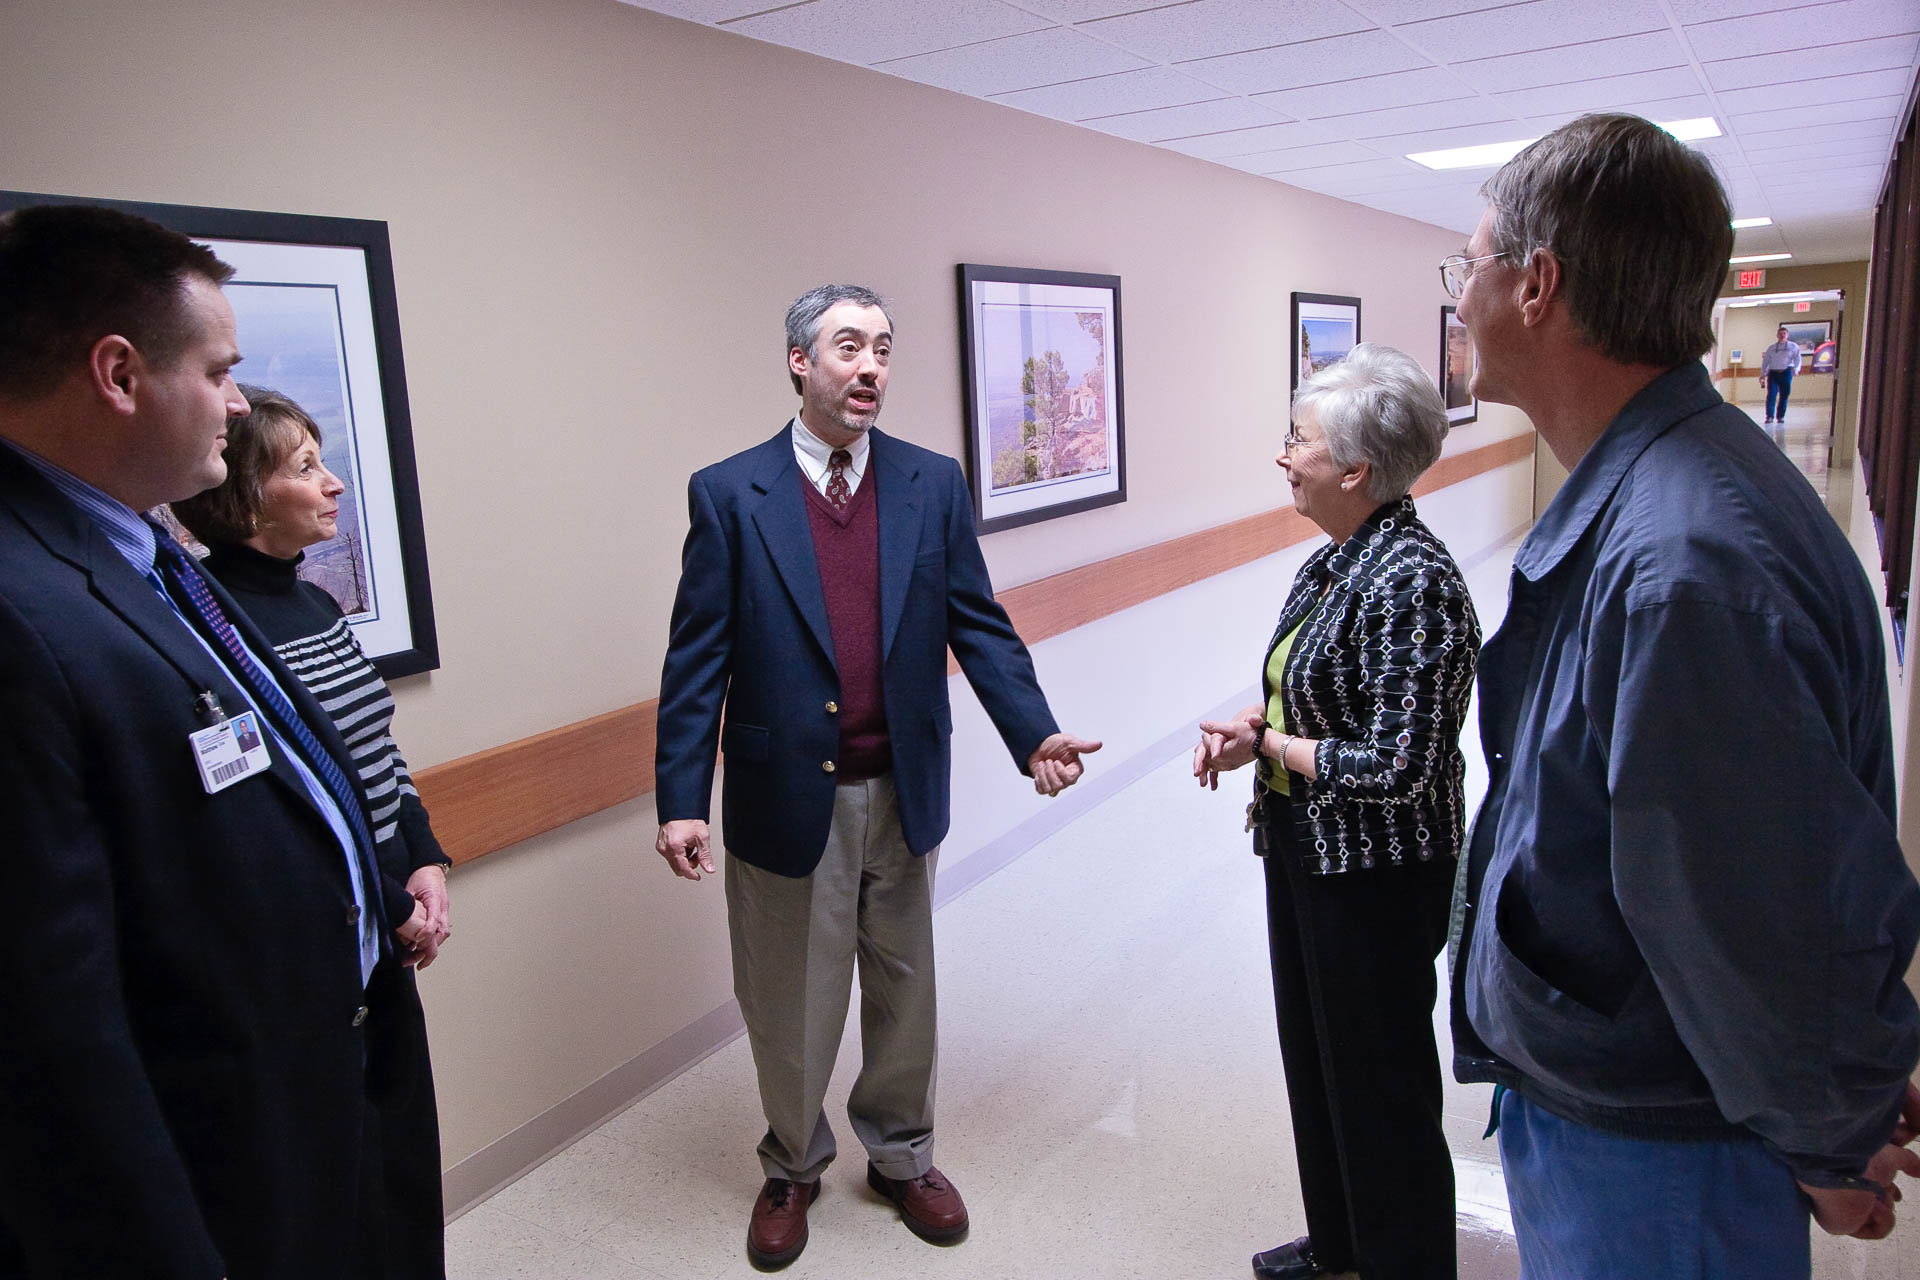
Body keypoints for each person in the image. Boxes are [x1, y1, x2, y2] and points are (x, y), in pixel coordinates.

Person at [1443, 112, 1920, 1278]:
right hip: (1623, 1094)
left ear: (1539, 285)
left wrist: (1826, 1129)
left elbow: (1746, 906)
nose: (1462, 302)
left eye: (1473, 268)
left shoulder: (1683, 565)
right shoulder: (1665, 494)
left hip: (1661, 1148)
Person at [653, 284, 1101, 1269]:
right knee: (791, 994)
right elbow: (697, 660)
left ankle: (901, 1154)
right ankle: (793, 1161)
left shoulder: (928, 482)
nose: (870, 368)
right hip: (785, 794)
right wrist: (682, 797)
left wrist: (1033, 733)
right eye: (848, 346)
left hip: (902, 784)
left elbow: (976, 621)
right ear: (798, 362)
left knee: (906, 983)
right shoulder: (731, 493)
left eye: (884, 350)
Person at [0, 204, 404, 1276]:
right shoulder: (21, 607)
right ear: (120, 373)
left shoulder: (148, 551)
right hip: (215, 1146)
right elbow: (54, 1020)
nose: (237, 402)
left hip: (323, 1067)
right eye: (220, 370)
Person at [1194, 343, 1479, 1280]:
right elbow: (1312, 696)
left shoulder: (1414, 580)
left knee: (1381, 1088)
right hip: (1309, 851)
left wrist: (1274, 748)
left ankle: (1402, 1263)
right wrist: (1255, 725)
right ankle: (1344, 1246)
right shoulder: (1338, 558)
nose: (1283, 455)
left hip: (1378, 873)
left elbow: (1401, 764)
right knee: (1320, 1066)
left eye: (1298, 439)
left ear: (1355, 470)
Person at [171, 385, 453, 1279]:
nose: (334, 485)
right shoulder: (216, 633)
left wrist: (427, 862)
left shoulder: (317, 608)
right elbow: (273, 812)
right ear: (244, 496)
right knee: (338, 1187)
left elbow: (373, 757)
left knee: (404, 1167)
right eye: (305, 468)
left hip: (383, 934)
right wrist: (382, 896)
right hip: (316, 952)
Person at [1757, 323, 1803, 425]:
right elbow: (1766, 361)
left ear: (1787, 335)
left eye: (1784, 333)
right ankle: (1769, 416)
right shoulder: (1772, 348)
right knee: (1771, 395)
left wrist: (1796, 369)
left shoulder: (1793, 347)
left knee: (1784, 395)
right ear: (1777, 335)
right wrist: (1763, 374)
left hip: (1786, 372)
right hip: (1773, 373)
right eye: (1780, 334)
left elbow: (1797, 359)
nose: (1782, 335)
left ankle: (1780, 416)